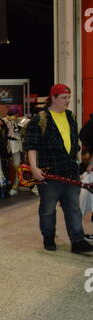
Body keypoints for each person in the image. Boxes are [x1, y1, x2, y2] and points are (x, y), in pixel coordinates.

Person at [25, 83, 93, 254]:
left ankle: (77, 241)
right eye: (64, 98)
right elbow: (32, 146)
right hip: (49, 175)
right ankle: (49, 238)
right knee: (48, 209)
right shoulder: (40, 119)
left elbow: (73, 143)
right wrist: (34, 168)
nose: (68, 101)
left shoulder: (70, 117)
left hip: (70, 172)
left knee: (73, 208)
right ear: (53, 98)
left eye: (69, 97)